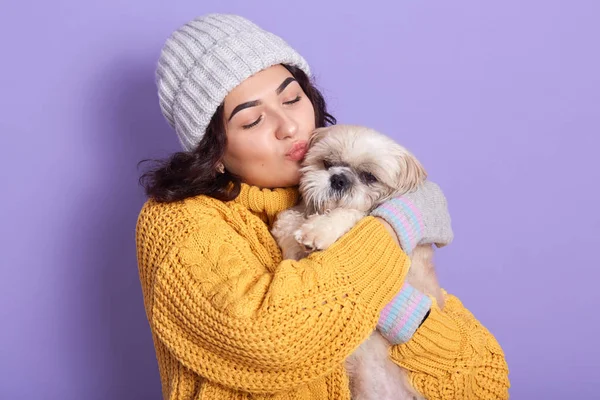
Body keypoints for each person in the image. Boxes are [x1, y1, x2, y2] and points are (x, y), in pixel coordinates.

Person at [136, 14, 509, 400]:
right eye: (252, 120)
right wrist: (393, 226)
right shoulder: (179, 222)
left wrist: (407, 315)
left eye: (293, 99)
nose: (289, 126)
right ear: (212, 154)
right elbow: (270, 339)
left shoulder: (353, 192)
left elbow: (485, 381)